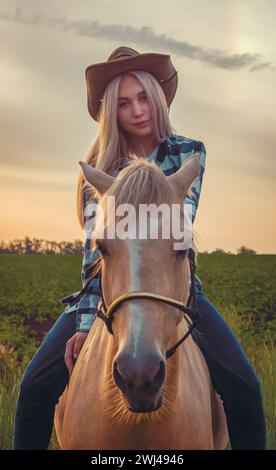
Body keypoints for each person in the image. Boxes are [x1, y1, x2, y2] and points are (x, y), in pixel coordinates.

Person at [13, 46, 266, 450]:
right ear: (112, 111)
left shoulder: (189, 153)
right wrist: (83, 325)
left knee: (245, 389)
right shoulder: (99, 166)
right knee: (33, 390)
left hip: (175, 288)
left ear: (159, 97)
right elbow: (96, 255)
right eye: (124, 103)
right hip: (109, 290)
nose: (138, 110)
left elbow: (174, 229)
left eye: (144, 97)